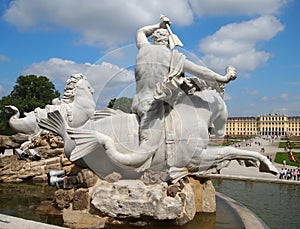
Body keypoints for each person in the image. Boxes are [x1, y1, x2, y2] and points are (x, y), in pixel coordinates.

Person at [131, 15, 237, 144]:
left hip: (136, 104)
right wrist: (223, 78)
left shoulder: (143, 48)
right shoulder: (172, 57)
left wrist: (159, 25)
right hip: (156, 107)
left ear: (153, 39)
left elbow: (141, 31)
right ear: (168, 41)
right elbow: (203, 72)